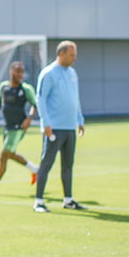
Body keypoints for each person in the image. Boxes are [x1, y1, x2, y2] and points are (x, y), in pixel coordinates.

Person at [33, 41, 86, 213]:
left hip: (70, 127)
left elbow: (75, 98)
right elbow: (40, 99)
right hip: (54, 127)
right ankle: (39, 201)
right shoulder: (48, 73)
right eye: (72, 55)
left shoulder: (72, 73)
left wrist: (80, 119)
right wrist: (45, 123)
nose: (75, 58)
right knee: (46, 163)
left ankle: (68, 199)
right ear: (61, 54)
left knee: (68, 165)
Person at [0, 61, 38, 194]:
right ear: (11, 72)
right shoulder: (3, 87)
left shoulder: (26, 89)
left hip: (19, 127)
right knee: (9, 154)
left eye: (22, 71)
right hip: (7, 126)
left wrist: (29, 119)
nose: (20, 74)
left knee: (4, 155)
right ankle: (35, 169)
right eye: (18, 71)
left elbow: (35, 105)